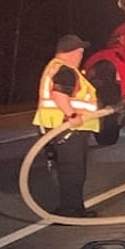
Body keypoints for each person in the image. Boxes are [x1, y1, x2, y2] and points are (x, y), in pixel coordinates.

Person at [34, 34, 100, 218]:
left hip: (57, 127)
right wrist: (71, 115)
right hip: (67, 129)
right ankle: (70, 211)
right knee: (73, 171)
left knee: (68, 170)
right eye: (80, 53)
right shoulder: (65, 70)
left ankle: (73, 207)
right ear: (72, 53)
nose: (81, 56)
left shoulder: (55, 67)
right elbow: (59, 94)